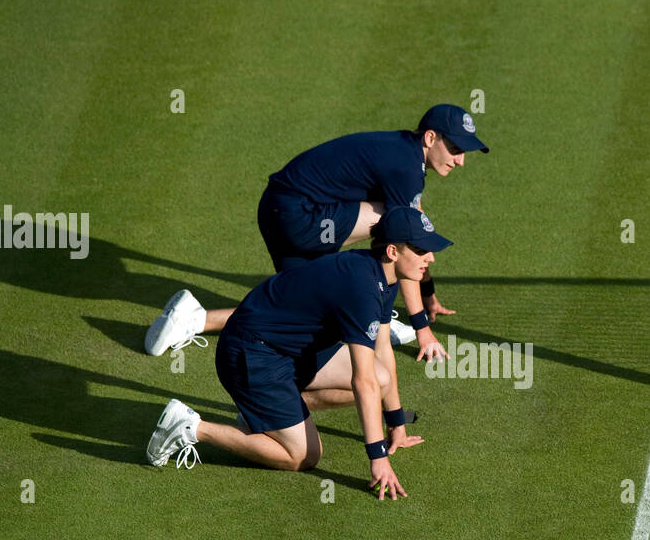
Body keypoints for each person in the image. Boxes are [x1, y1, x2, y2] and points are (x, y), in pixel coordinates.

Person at [145, 207, 451, 501]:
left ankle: (266, 415)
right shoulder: (362, 289)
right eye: (422, 251)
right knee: (304, 456)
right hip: (250, 353)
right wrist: (378, 456)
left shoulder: (384, 279)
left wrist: (396, 426)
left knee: (382, 376)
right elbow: (363, 382)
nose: (431, 258)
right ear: (393, 252)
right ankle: (192, 428)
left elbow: (383, 353)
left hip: (286, 351)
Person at [145, 103, 487, 361]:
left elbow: (418, 223)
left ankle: (194, 319)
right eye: (456, 150)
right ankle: (378, 315)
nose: (460, 161)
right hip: (300, 216)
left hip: (277, 209)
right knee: (395, 228)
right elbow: (408, 241)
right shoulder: (406, 167)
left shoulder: (403, 152)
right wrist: (423, 329)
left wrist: (429, 294)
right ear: (431, 138)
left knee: (299, 308)